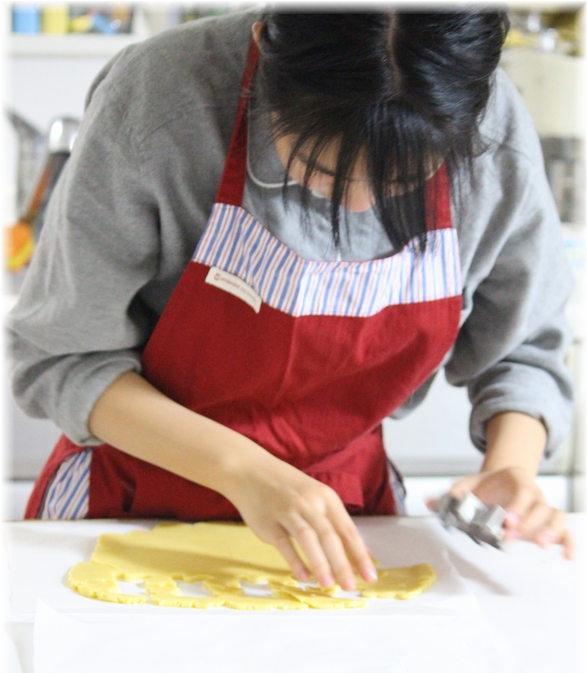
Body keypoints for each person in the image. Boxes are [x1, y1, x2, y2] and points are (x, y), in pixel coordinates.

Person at [7, 9, 575, 591]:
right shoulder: (162, 97)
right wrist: (243, 471)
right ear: (265, 54)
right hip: (130, 500)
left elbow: (524, 348)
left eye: (401, 181)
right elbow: (61, 357)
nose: (358, 205)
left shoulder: (488, 127)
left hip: (347, 519)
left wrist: (510, 469)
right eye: (321, 168)